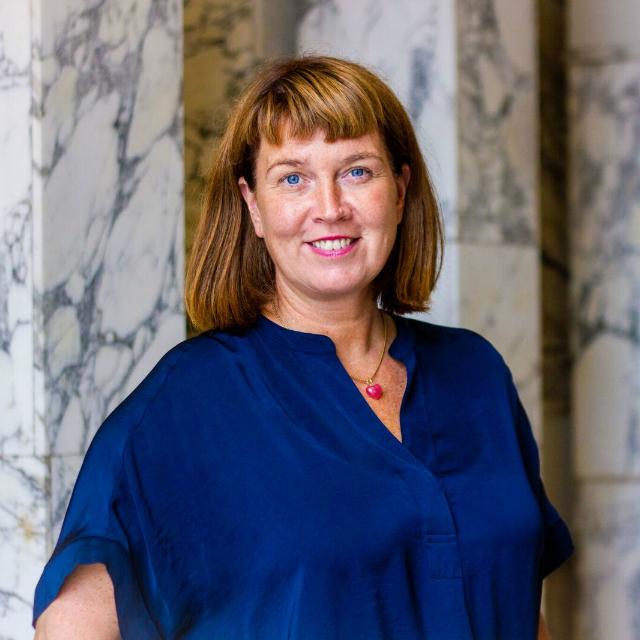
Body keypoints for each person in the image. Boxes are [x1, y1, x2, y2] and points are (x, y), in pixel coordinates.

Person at [32, 55, 572, 639]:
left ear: (400, 189)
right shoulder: (185, 405)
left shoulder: (476, 373)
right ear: (253, 206)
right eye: (293, 178)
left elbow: (523, 608)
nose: (330, 207)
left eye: (357, 171)